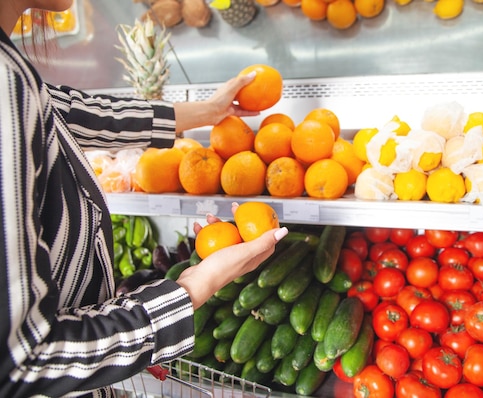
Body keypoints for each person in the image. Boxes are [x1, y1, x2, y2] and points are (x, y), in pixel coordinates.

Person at [0, 1, 288, 396]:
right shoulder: (4, 81)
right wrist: (194, 284)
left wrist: (211, 110)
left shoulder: (15, 74)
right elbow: (22, 363)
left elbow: (79, 113)